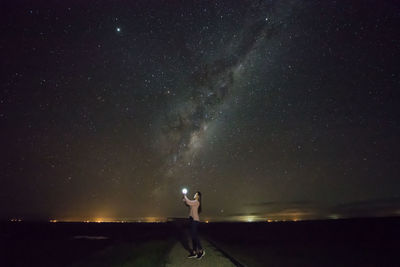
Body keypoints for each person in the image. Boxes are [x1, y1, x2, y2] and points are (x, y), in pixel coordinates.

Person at [182, 191, 205, 259]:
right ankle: (194, 252)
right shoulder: (194, 202)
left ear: (198, 196)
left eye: (196, 194)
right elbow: (188, 203)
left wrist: (185, 195)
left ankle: (201, 250)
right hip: (192, 220)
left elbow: (189, 202)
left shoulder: (197, 202)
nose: (194, 195)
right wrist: (184, 200)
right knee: (193, 236)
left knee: (194, 235)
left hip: (195, 220)